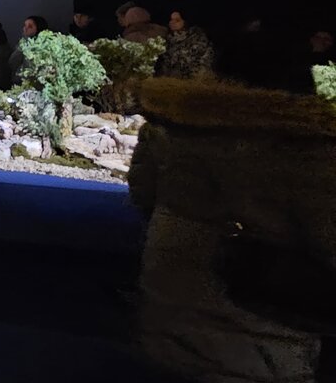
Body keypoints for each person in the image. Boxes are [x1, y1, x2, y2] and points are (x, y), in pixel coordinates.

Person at [129, 75, 336, 382]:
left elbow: (142, 195)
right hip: (265, 353)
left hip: (169, 330)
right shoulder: (312, 152)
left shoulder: (173, 129)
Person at [155, 11, 214, 80]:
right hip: (172, 80)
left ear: (185, 22)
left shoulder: (197, 37)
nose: (172, 22)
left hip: (194, 79)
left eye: (177, 20)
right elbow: (165, 63)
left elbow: (202, 62)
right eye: (171, 20)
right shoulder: (168, 39)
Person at [9, 16, 48, 83]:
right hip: (20, 82)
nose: (25, 28)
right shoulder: (23, 42)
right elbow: (12, 62)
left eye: (30, 26)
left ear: (38, 28)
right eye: (25, 25)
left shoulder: (44, 46)